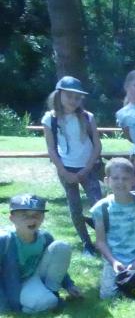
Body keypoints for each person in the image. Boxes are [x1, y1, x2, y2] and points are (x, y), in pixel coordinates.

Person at [42, 76, 102, 255]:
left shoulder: (87, 117)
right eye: (69, 96)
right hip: (66, 169)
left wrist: (87, 168)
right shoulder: (49, 119)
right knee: (75, 207)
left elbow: (97, 146)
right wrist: (63, 171)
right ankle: (86, 243)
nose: (73, 101)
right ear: (59, 95)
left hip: (88, 168)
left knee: (97, 205)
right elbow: (51, 149)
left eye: (77, 97)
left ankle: (103, 240)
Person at [92, 158, 135, 299]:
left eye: (125, 178)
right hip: (115, 260)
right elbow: (100, 242)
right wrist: (113, 262)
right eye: (115, 178)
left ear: (133, 180)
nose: (120, 182)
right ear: (107, 181)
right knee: (107, 296)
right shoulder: (101, 208)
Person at [1, 194, 81, 315]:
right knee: (47, 302)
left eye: (36, 215)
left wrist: (69, 285)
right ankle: (31, 305)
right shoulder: (5, 240)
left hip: (34, 278)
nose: (32, 220)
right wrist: (5, 306)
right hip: (11, 286)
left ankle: (51, 292)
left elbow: (56, 264)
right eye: (24, 216)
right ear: (12, 218)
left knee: (61, 247)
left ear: (43, 217)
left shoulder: (44, 237)